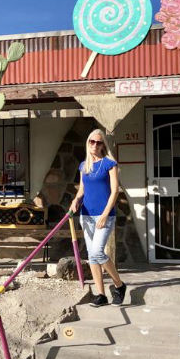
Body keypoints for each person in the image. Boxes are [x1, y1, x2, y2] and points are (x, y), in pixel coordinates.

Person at [68, 128, 127, 307]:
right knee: (92, 256)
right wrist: (75, 200)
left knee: (97, 252)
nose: (94, 145)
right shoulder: (83, 165)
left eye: (98, 142)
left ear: (103, 145)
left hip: (104, 216)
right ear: (88, 143)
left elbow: (115, 190)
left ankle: (119, 285)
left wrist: (104, 214)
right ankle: (101, 295)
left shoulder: (110, 163)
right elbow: (82, 190)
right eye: (91, 141)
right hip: (86, 215)